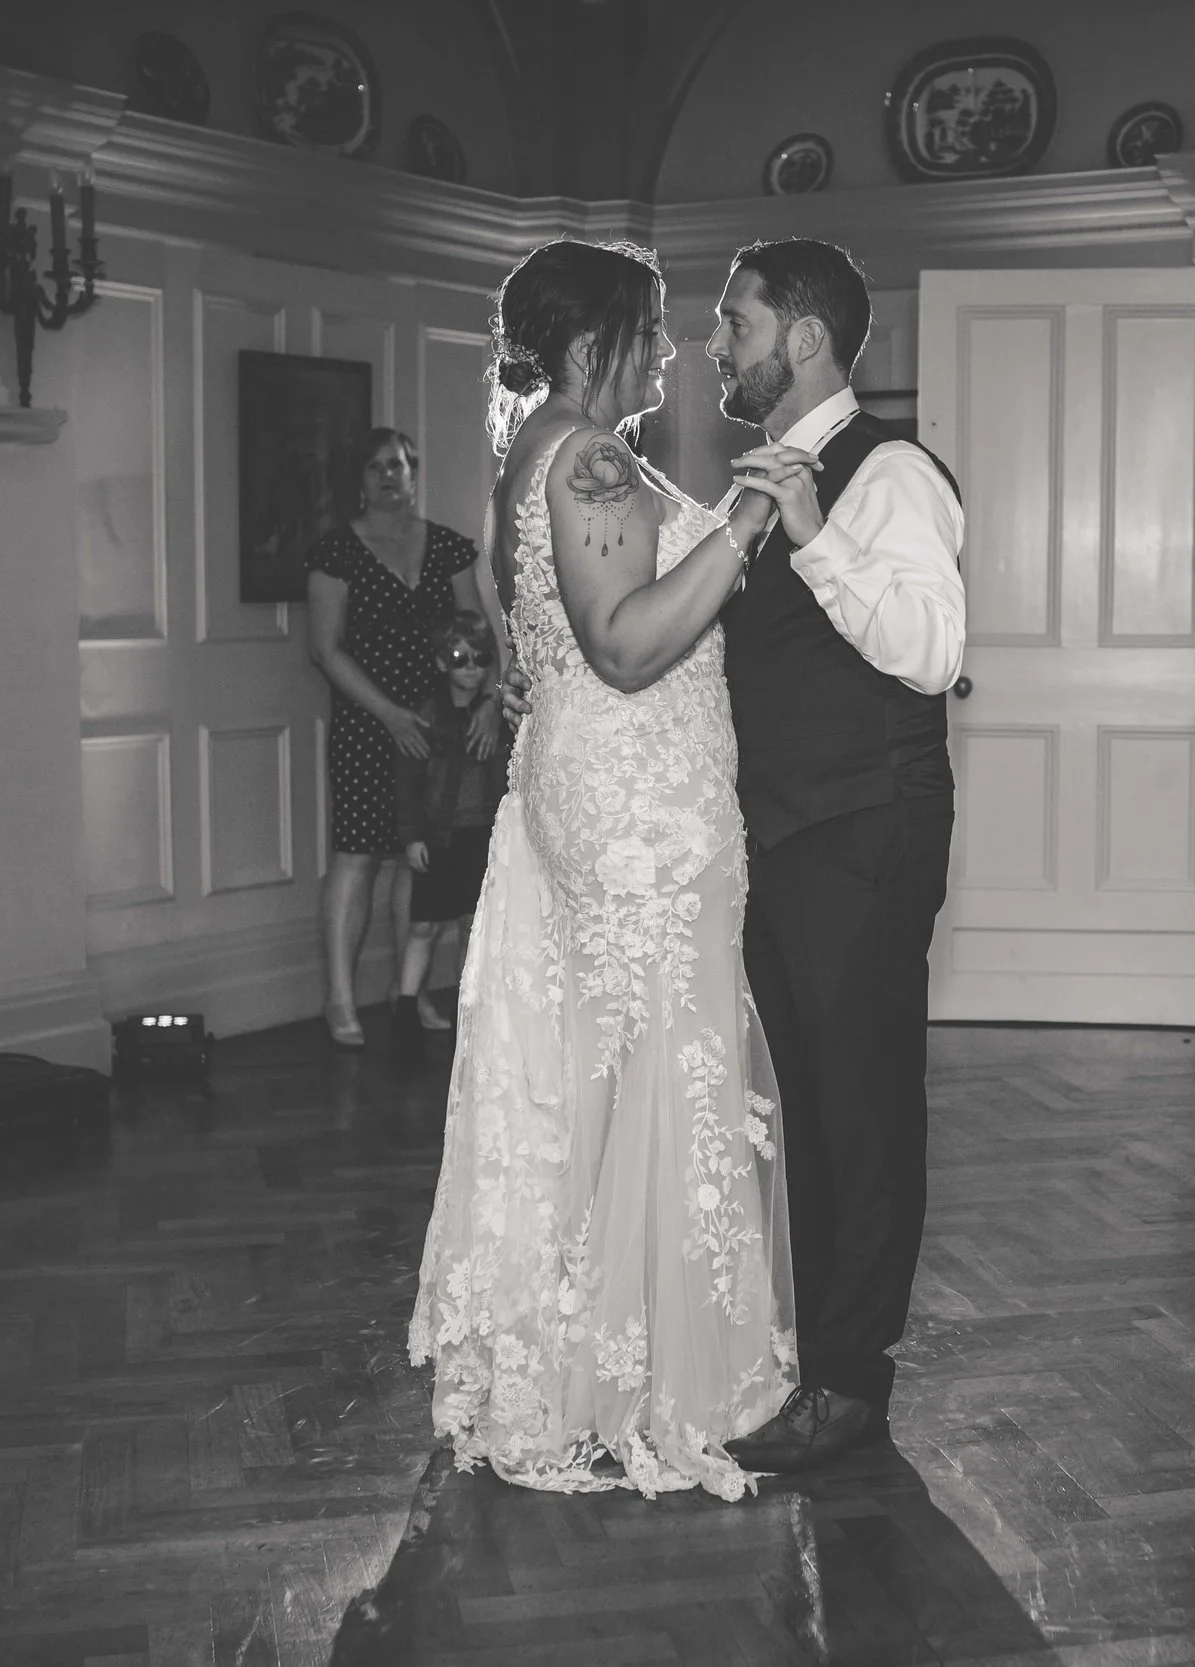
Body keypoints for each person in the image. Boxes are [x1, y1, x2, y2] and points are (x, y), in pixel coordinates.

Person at [407, 239, 796, 1501]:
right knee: (658, 1070)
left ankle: (584, 1351)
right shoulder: (588, 454)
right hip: (639, 810)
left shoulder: (531, 447)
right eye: (653, 328)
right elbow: (627, 645)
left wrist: (534, 665)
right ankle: (659, 1376)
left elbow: (540, 615)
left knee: (596, 1071)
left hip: (585, 787)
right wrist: (741, 520)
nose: (673, 348)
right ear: (590, 348)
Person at [704, 240, 968, 1477]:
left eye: (734, 322)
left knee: (860, 1106)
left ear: (802, 338)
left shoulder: (889, 471)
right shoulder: (756, 477)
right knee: (802, 1103)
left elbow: (926, 649)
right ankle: (817, 1359)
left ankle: (852, 1384)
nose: (718, 345)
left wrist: (810, 530)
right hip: (786, 832)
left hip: (864, 826)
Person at [306, 428, 498, 1049]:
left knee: (420, 860)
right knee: (359, 857)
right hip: (369, 725)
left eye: (398, 465)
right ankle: (340, 1000)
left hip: (441, 726)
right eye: (375, 468)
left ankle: (406, 995)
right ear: (360, 481)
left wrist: (489, 702)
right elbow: (325, 648)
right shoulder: (336, 552)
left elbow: (479, 633)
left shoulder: (447, 547)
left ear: (415, 473)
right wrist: (388, 713)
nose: (389, 476)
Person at [389, 610, 506, 1052]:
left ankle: (469, 1014)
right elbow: (408, 782)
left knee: (470, 926)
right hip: (437, 837)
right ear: (441, 662)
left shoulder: (493, 715)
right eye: (459, 657)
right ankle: (404, 1009)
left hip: (481, 835)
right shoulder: (427, 714)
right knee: (423, 927)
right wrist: (412, 836)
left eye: (480, 656)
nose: (471, 666)